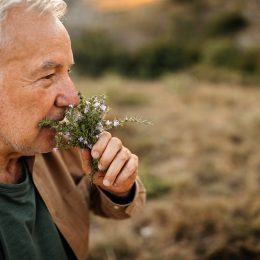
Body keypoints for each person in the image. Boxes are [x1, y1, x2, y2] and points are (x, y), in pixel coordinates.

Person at [0, 0, 146, 259]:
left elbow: (119, 207)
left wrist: (119, 188)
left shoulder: (63, 144)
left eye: (67, 71)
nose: (73, 98)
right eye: (48, 76)